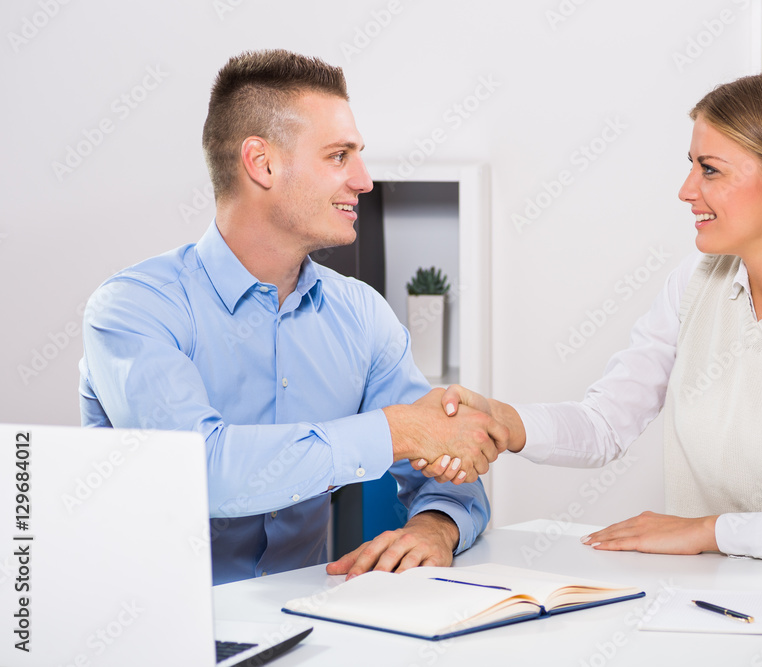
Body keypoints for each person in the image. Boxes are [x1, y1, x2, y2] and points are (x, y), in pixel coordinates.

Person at [426, 68, 762, 567]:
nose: (686, 190)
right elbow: (605, 422)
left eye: (710, 169)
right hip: (697, 603)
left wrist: (707, 532)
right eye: (691, 165)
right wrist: (504, 422)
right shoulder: (697, 281)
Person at [79, 49, 507, 585]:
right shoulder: (135, 309)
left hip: (306, 630)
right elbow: (198, 472)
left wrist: (435, 526)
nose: (364, 180)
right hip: (155, 636)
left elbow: (444, 468)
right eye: (338, 156)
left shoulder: (361, 314)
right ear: (262, 164)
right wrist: (396, 431)